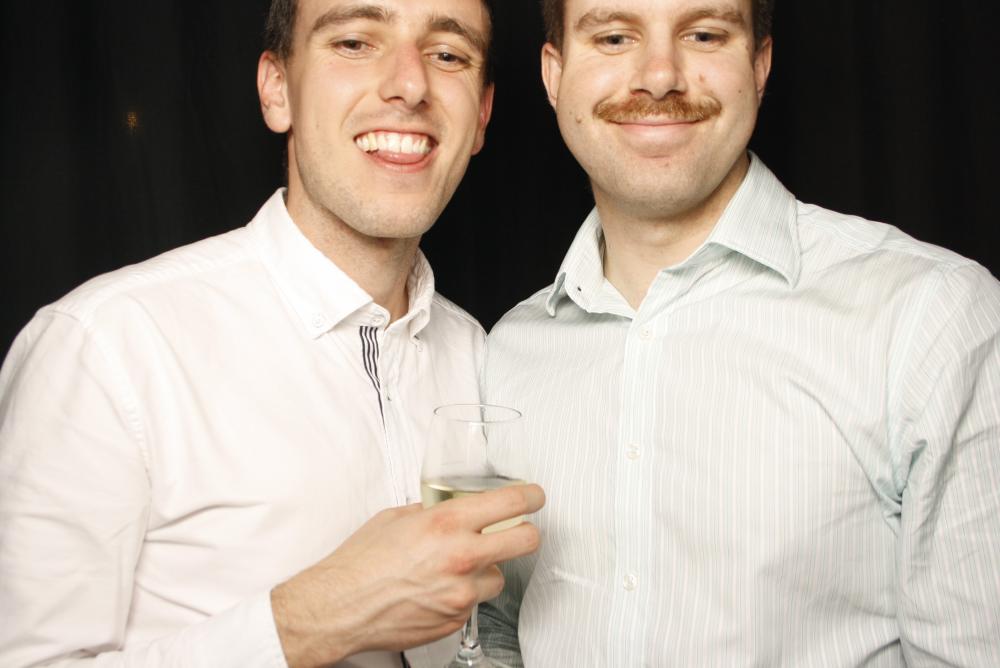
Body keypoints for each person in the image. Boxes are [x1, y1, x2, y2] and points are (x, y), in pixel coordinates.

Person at [0, 1, 545, 666]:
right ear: (277, 89)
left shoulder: (479, 352)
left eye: (448, 54)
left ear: (481, 115)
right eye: (354, 42)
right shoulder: (107, 345)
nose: (409, 84)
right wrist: (313, 618)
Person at [480, 0, 1000, 665]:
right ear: (554, 76)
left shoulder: (930, 318)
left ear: (760, 64)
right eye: (613, 37)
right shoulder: (507, 353)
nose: (660, 76)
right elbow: (493, 630)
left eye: (703, 34)